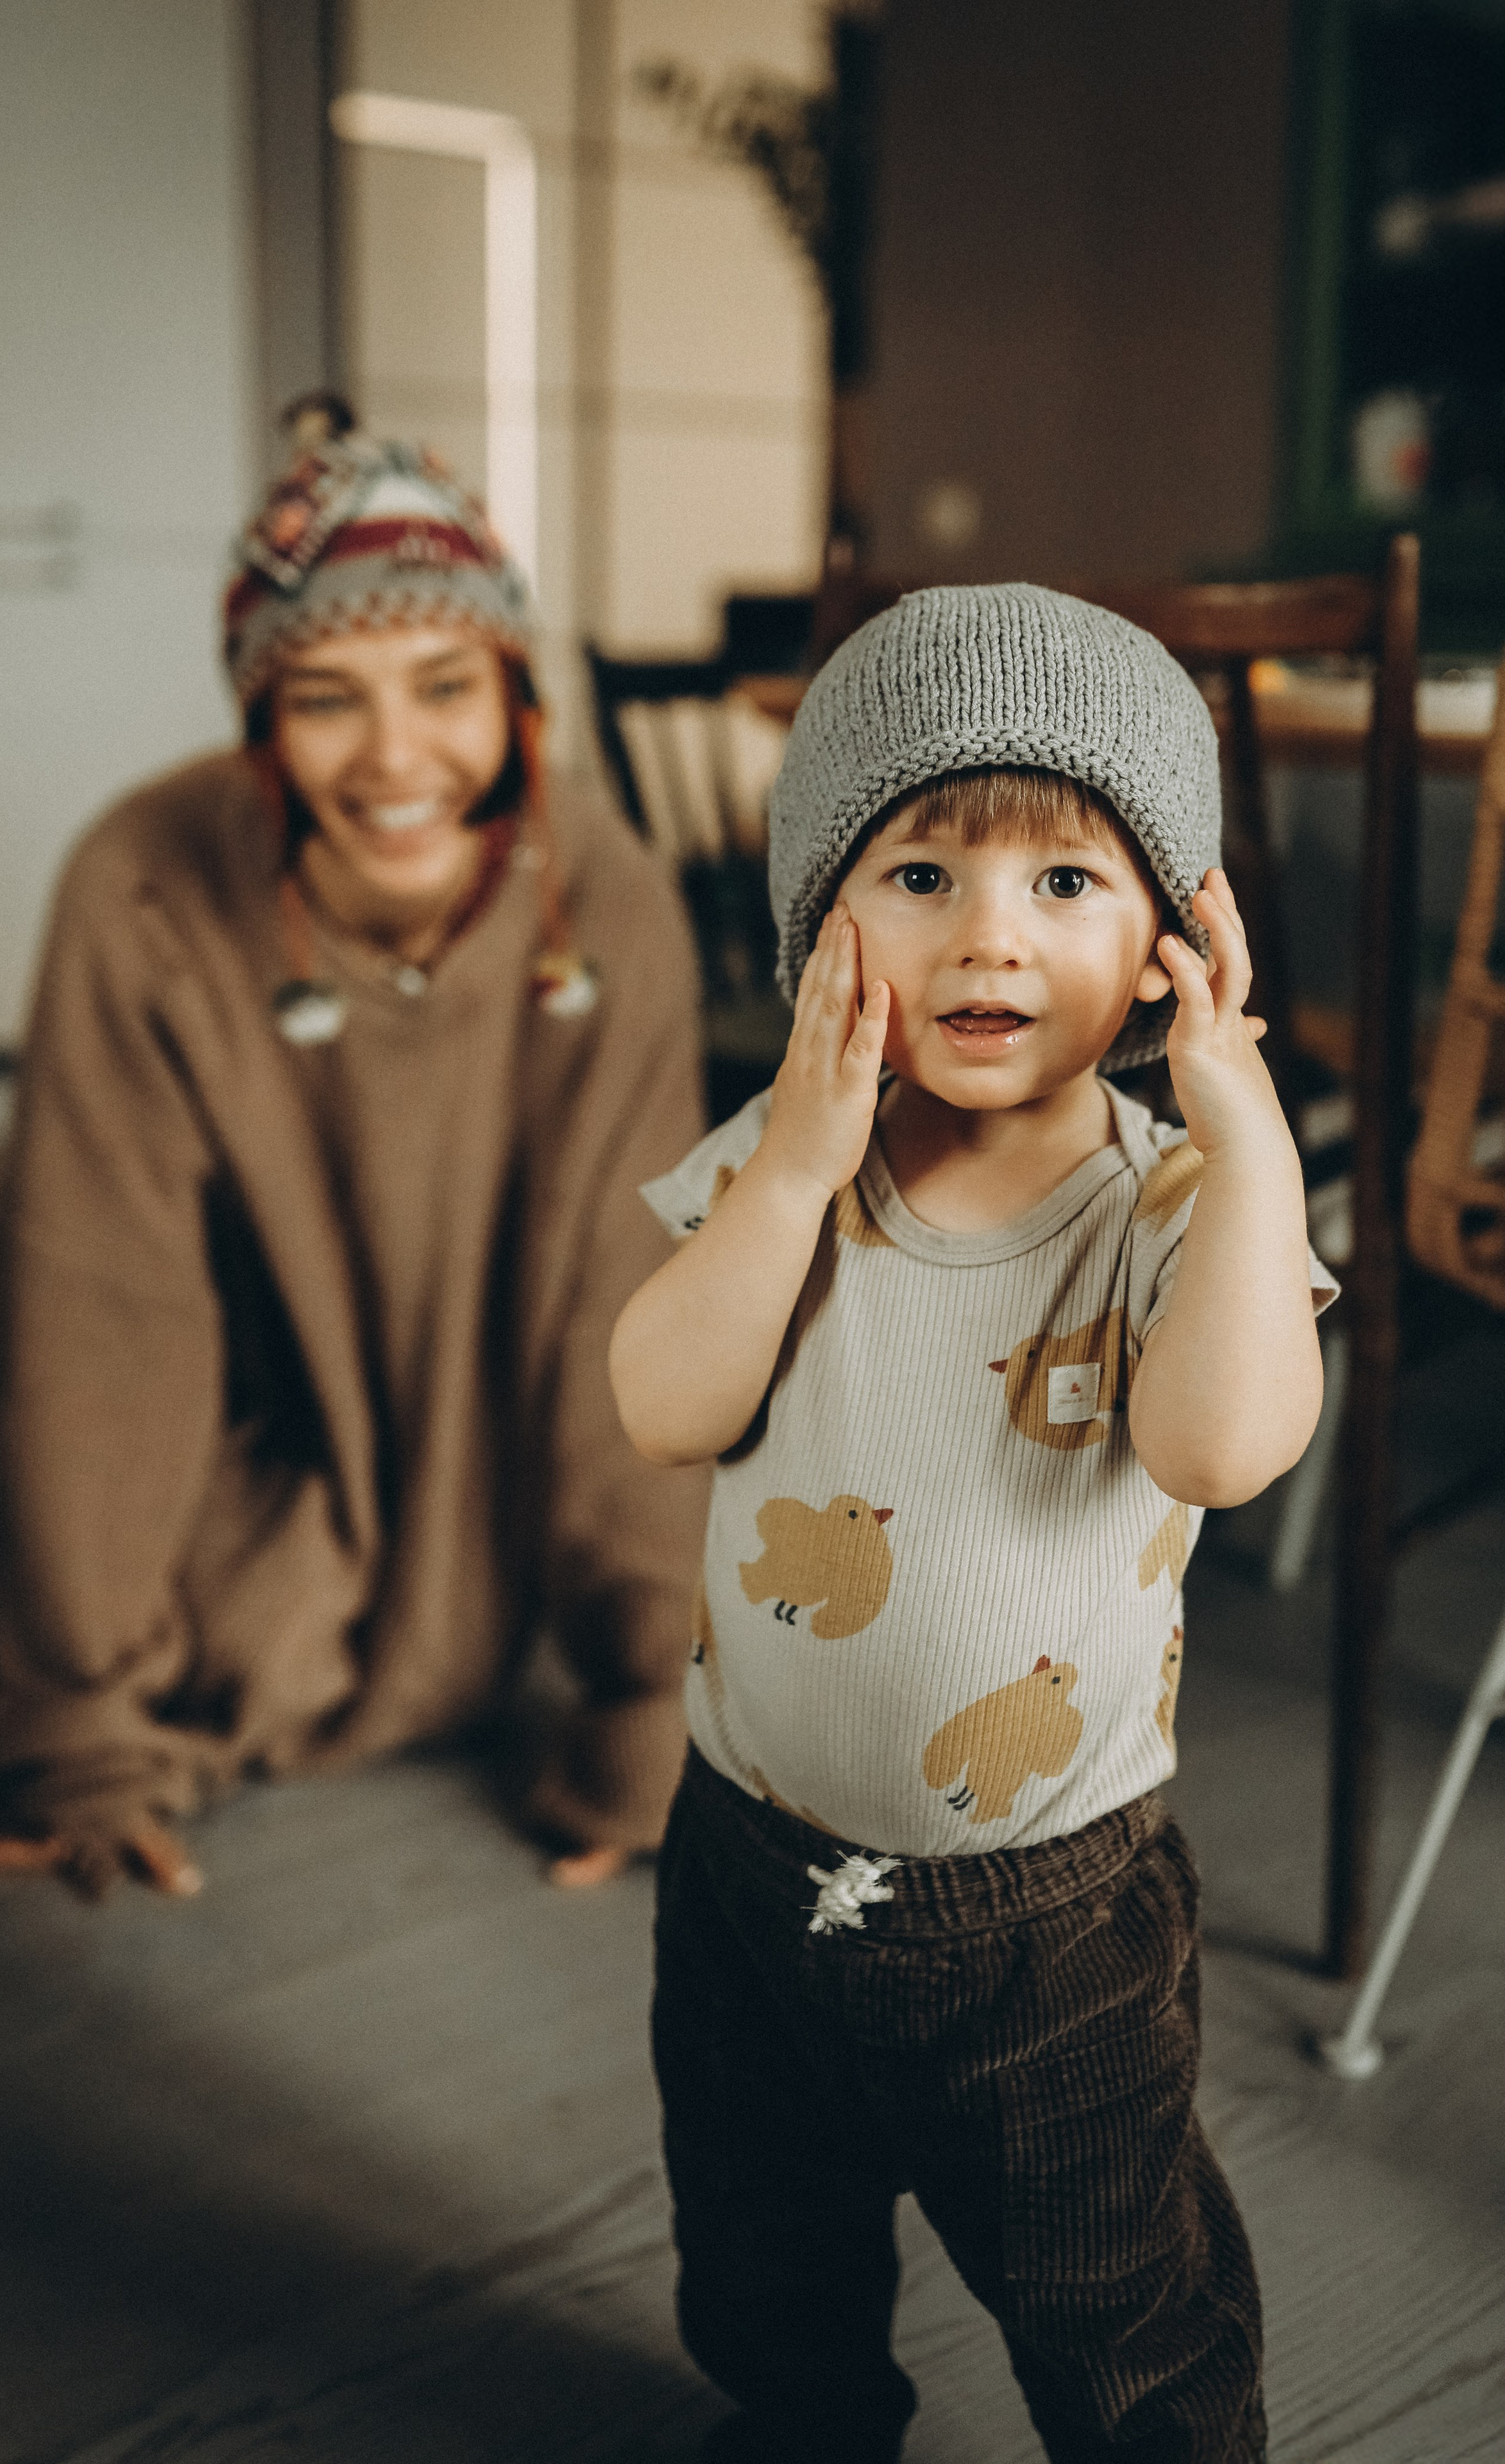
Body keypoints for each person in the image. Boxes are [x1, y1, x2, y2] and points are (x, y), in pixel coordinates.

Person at [609, 585, 1337, 2463]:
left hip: (1046, 1919)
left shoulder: (1167, 1205)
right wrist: (788, 1168)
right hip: (751, 1863)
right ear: (817, 923)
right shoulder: (787, 1170)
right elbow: (662, 1403)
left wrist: (1248, 1143)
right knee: (762, 2236)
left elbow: (1223, 1445)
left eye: (1068, 886)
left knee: (1114, 2300)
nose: (991, 939)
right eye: (920, 876)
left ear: (1177, 942)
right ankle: (802, 2422)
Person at [0, 400, 708, 1898]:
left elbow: (627, 1299)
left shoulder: (608, 898)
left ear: (516, 693)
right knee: (235, 1650)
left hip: (500, 1467)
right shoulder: (138, 886)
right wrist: (72, 1723)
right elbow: (98, 1310)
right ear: (262, 725)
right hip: (250, 1444)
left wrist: (661, 1706)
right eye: (327, 698)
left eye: (445, 686)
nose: (395, 756)